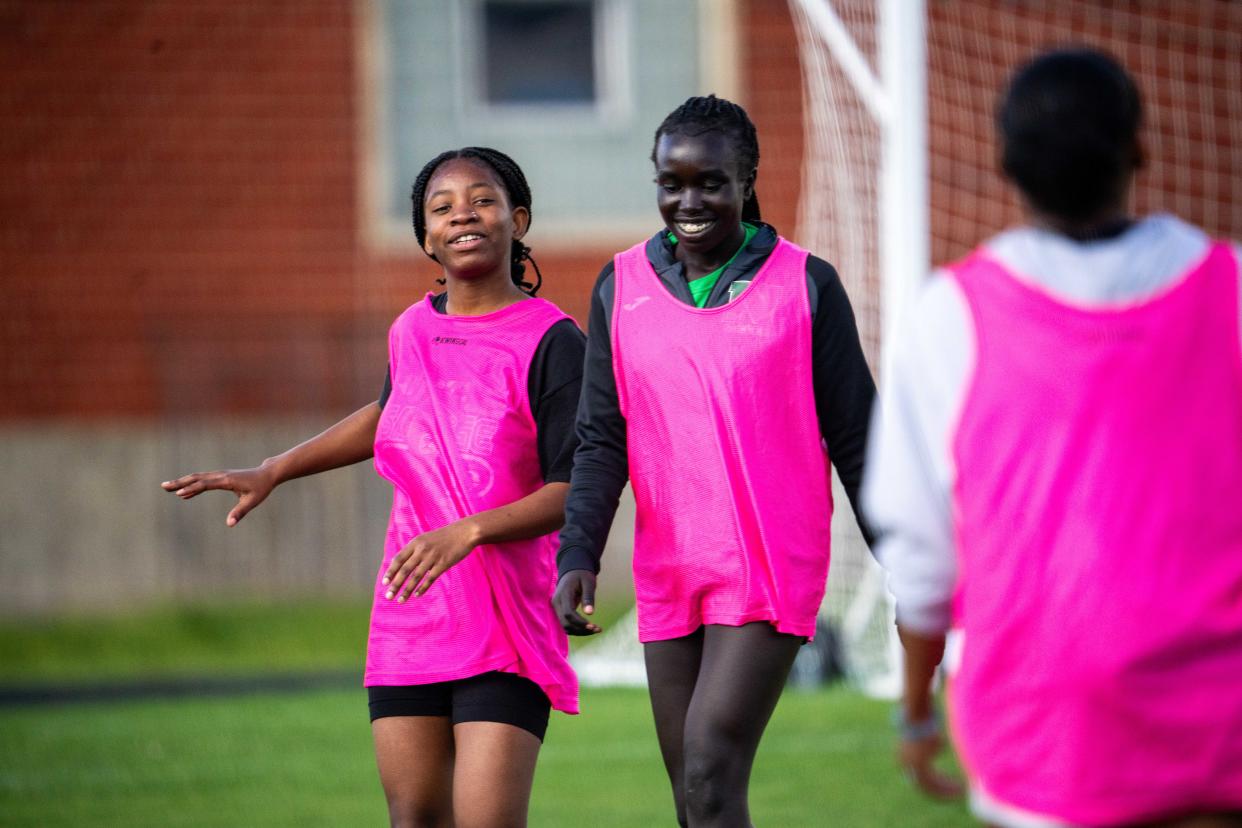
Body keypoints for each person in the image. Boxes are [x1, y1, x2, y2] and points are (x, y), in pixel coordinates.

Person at [864, 49, 1242, 828]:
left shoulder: (948, 317)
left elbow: (922, 559)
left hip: (1046, 735)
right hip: (1220, 720)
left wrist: (915, 712)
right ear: (1140, 147)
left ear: (1005, 164)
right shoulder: (1232, 290)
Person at [162, 147, 584, 828]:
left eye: (482, 199)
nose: (462, 216)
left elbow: (578, 487)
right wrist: (275, 468)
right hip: (410, 617)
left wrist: (470, 529)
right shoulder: (411, 330)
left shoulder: (554, 342)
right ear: (426, 238)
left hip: (504, 626)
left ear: (519, 217)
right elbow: (391, 414)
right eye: (441, 208)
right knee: (413, 818)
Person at [553, 94, 876, 827]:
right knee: (698, 797)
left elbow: (859, 440)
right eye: (672, 183)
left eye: (711, 182)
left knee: (709, 759)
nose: (689, 201)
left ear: (747, 178)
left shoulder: (807, 285)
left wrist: (905, 563)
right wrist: (580, 551)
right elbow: (602, 436)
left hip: (768, 567)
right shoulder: (620, 286)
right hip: (670, 572)